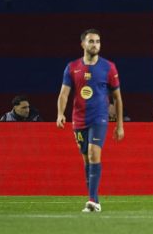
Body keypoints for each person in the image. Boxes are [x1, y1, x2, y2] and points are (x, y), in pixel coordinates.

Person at [56, 29, 125, 213]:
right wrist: (60, 113)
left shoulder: (109, 67)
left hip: (99, 118)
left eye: (98, 41)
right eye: (91, 41)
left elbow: (117, 98)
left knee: (94, 154)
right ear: (83, 44)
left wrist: (119, 125)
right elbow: (64, 93)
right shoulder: (72, 67)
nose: (95, 45)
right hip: (78, 120)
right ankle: (94, 199)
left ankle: (93, 200)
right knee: (86, 159)